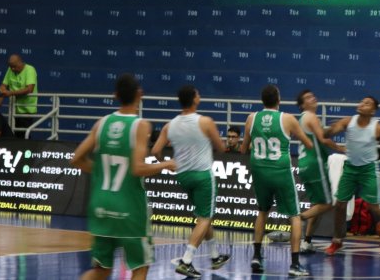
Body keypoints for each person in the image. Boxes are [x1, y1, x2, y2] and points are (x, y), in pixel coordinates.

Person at [71, 73, 177, 280]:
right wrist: (166, 164)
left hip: (101, 205)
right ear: (140, 94)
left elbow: (76, 159)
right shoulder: (140, 125)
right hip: (128, 208)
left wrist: (101, 173)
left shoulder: (101, 123)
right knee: (140, 267)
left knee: (101, 269)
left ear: (115, 95)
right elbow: (137, 168)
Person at [151, 85, 231, 278]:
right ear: (195, 99)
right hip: (203, 175)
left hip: (183, 175)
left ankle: (214, 256)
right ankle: (186, 261)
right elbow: (221, 147)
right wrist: (222, 143)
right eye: (198, 94)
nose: (200, 96)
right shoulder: (205, 121)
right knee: (205, 218)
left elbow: (154, 151)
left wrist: (165, 163)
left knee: (204, 216)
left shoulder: (170, 125)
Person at [240, 84, 314, 277]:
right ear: (279, 100)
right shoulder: (287, 119)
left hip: (259, 170)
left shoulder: (251, 118)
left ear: (262, 100)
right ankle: (295, 264)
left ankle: (256, 256)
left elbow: (243, 149)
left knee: (262, 211)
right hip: (280, 170)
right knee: (294, 216)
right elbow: (307, 143)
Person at [323, 96, 380, 256]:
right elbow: (330, 132)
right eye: (361, 101)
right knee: (339, 205)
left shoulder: (378, 128)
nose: (362, 104)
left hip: (368, 170)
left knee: (374, 207)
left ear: (372, 110)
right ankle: (337, 241)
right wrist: (328, 130)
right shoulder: (348, 122)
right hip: (350, 169)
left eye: (367, 103)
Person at [295, 89, 345, 253]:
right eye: (308, 98)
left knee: (317, 204)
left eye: (312, 95)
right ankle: (298, 218)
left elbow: (319, 136)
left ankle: (307, 241)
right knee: (328, 203)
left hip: (304, 165)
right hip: (315, 164)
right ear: (302, 105)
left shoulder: (302, 119)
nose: (313, 98)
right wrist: (340, 148)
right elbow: (323, 139)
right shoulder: (310, 116)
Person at [0, 54, 37, 137]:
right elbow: (4, 85)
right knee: (14, 135)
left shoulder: (30, 69)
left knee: (24, 135)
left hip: (27, 110)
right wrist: (0, 93)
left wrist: (10, 93)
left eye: (14, 67)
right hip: (13, 109)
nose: (12, 69)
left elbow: (29, 89)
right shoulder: (10, 69)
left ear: (20, 63)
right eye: (11, 67)